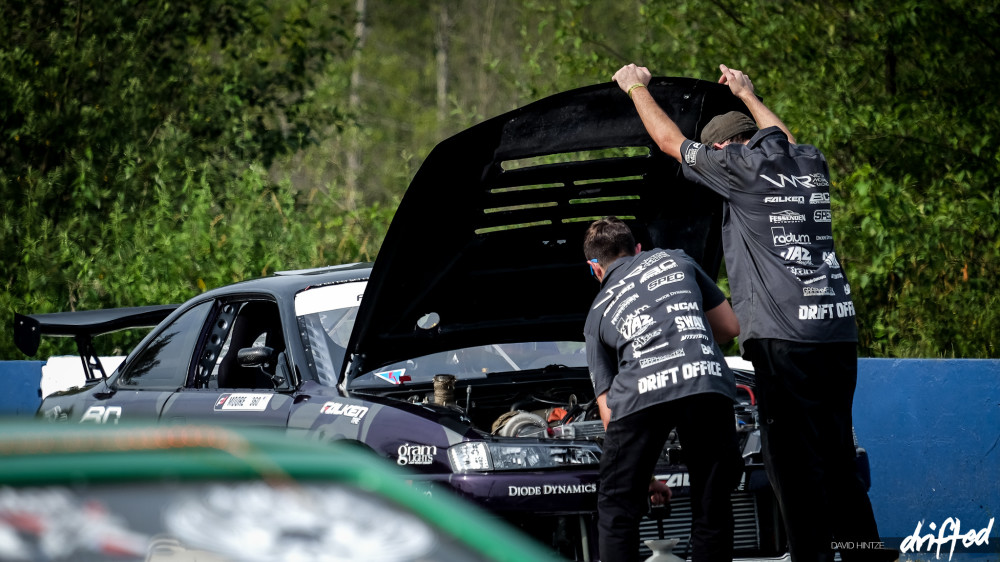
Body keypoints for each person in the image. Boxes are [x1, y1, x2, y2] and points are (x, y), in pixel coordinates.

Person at [610, 63, 886, 562]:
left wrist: (634, 87)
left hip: (785, 337)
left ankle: (813, 557)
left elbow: (671, 141)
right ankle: (864, 552)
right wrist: (747, 92)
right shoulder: (807, 161)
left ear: (723, 148)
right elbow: (781, 135)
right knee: (837, 456)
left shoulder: (737, 169)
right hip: (837, 333)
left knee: (792, 463)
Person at [583, 216, 743, 562]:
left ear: (594, 268)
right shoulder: (677, 258)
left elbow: (609, 411)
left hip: (641, 392)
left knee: (617, 507)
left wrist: (645, 478)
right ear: (638, 249)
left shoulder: (596, 313)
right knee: (712, 501)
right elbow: (730, 328)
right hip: (706, 381)